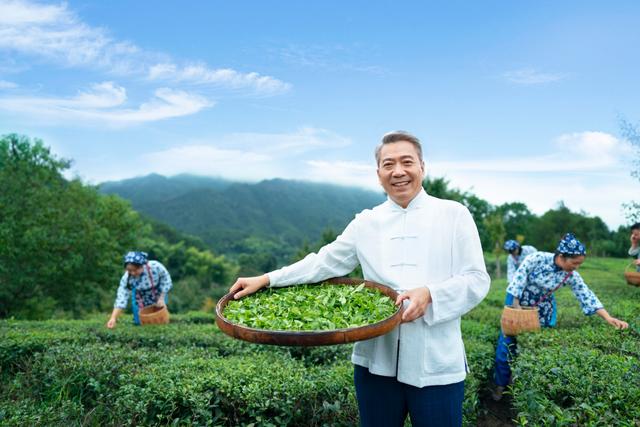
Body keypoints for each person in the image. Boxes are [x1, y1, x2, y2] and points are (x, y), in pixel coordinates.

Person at [229, 131, 491, 427]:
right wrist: (267, 279)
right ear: (378, 173)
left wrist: (430, 293)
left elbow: (476, 279)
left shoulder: (453, 214)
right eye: (388, 164)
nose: (398, 172)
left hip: (436, 364)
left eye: (407, 162)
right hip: (375, 364)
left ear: (422, 167)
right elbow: (324, 262)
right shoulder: (367, 221)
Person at [492, 233, 629, 401]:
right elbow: (517, 282)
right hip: (518, 300)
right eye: (575, 263)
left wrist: (608, 318)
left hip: (542, 307)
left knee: (534, 344)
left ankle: (520, 381)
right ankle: (500, 384)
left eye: (580, 264)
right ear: (562, 256)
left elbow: (585, 294)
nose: (576, 267)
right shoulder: (536, 258)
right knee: (507, 342)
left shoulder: (570, 274)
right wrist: (518, 310)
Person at [106, 251, 173, 329]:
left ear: (142, 265)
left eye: (135, 270)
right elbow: (121, 298)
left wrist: (161, 298)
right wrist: (113, 318)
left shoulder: (155, 267)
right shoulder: (127, 278)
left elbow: (166, 280)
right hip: (140, 297)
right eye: (130, 270)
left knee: (160, 320)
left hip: (158, 293)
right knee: (140, 323)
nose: (133, 273)